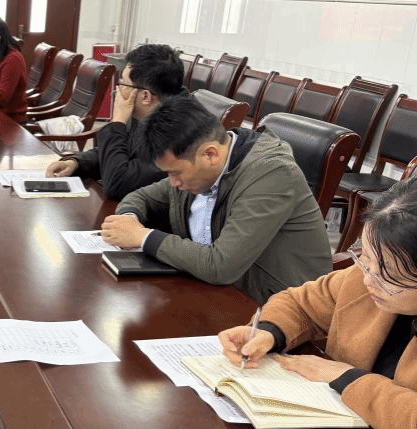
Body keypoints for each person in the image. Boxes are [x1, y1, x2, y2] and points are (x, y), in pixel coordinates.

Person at [218, 177, 417, 429]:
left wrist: (348, 379)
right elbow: (301, 304)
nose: (368, 280)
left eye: (391, 275)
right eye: (366, 258)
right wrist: (270, 332)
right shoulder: (363, 277)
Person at [100, 95, 330, 302]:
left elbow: (220, 266)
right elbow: (140, 197)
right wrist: (128, 220)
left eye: (175, 173)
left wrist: (142, 237)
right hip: (217, 290)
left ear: (210, 154)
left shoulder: (273, 174)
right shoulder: (198, 169)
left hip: (278, 308)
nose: (173, 183)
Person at [45, 44, 188, 199]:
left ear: (145, 96)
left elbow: (118, 183)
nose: (117, 91)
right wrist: (76, 163)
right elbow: (119, 152)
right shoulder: (152, 113)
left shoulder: (178, 133)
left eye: (123, 84)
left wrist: (117, 122)